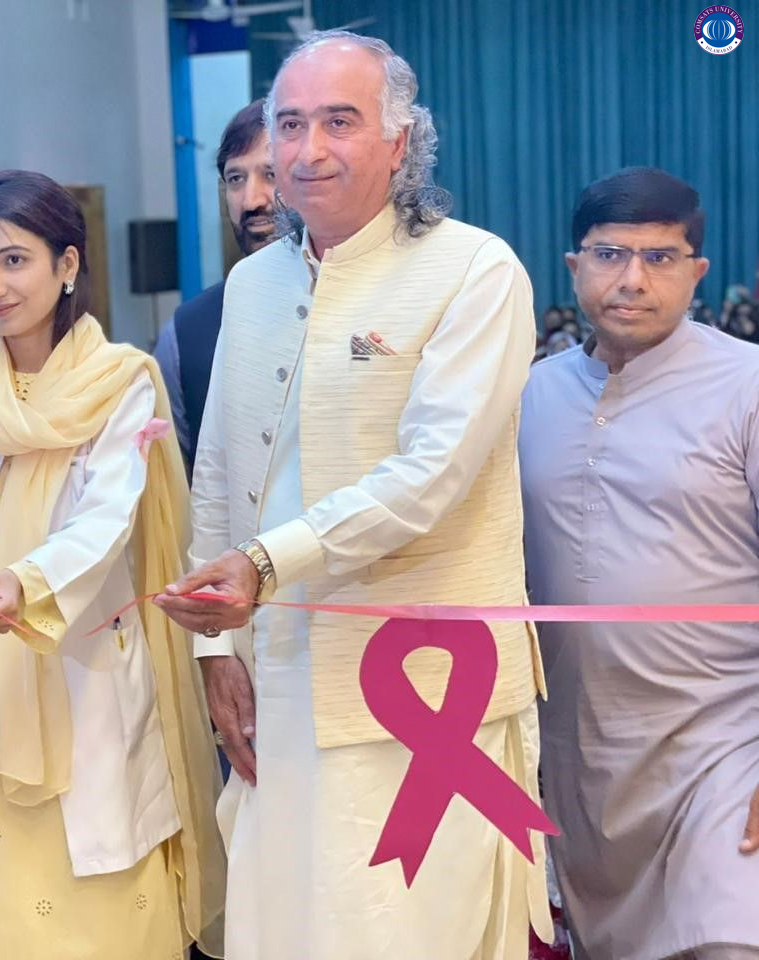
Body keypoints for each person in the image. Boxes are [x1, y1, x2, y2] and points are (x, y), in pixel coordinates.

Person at [155, 30, 551, 959]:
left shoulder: (475, 270)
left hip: (426, 687)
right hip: (277, 677)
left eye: (340, 121)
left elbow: (431, 477)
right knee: (283, 926)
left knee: (412, 931)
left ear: (400, 140)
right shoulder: (252, 286)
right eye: (291, 124)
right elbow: (219, 478)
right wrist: (214, 647)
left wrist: (264, 563)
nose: (309, 150)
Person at [0, 169, 225, 959]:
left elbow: (108, 516)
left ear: (67, 265)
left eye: (14, 260)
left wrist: (27, 583)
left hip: (77, 662)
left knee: (97, 895)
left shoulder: (119, 383)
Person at [520, 167, 759, 960]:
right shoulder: (532, 395)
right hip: (584, 762)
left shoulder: (747, 386)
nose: (631, 279)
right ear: (572, 267)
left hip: (725, 748)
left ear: (698, 271)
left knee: (728, 940)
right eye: (609, 254)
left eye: (660, 258)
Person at [153, 99, 277, 473]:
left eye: (271, 174)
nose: (251, 201)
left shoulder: (371, 307)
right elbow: (174, 483)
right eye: (236, 179)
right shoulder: (186, 333)